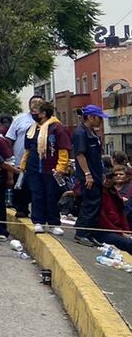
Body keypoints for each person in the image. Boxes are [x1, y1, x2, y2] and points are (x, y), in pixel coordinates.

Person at [21, 101, 72, 236]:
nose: (33, 114)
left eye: (35, 112)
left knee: (51, 196)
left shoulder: (57, 128)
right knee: (36, 195)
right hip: (33, 169)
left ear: (43, 114)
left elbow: (63, 150)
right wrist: (23, 164)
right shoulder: (32, 129)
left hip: (51, 169)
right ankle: (38, 222)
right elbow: (28, 149)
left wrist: (61, 167)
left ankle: (54, 223)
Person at [74, 105, 108, 247]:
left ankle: (89, 233)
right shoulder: (80, 133)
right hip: (88, 177)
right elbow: (80, 155)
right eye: (99, 118)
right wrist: (87, 174)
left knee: (95, 205)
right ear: (90, 117)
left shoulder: (92, 132)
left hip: (97, 175)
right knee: (89, 204)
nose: (100, 121)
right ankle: (81, 234)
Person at [7, 95, 45, 218]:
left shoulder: (48, 121)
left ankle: (39, 214)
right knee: (21, 189)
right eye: (34, 104)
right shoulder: (20, 120)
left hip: (40, 163)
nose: (36, 106)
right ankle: (21, 209)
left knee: (38, 189)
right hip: (20, 163)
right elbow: (10, 139)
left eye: (39, 104)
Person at [97, 166, 132, 253]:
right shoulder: (98, 195)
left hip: (118, 229)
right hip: (105, 230)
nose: (108, 181)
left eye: (110, 178)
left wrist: (127, 231)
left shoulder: (114, 193)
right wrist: (121, 233)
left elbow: (121, 214)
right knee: (128, 243)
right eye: (106, 178)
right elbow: (103, 220)